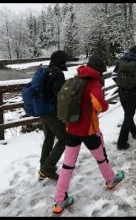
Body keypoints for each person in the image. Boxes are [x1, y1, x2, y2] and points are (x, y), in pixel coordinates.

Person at [52, 56, 124, 215]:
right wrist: (104, 106)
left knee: (67, 165)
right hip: (88, 130)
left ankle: (59, 200)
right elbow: (98, 104)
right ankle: (111, 179)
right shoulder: (94, 82)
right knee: (101, 157)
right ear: (99, 71)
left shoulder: (77, 78)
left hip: (71, 128)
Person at [37, 50, 68, 181]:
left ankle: (43, 168)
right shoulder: (58, 74)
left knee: (49, 138)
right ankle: (47, 168)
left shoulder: (46, 71)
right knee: (64, 139)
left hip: (42, 110)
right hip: (52, 112)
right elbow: (59, 95)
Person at [112, 46, 136, 150]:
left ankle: (133, 130)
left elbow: (113, 75)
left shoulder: (120, 61)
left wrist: (121, 85)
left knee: (128, 113)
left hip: (122, 92)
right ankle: (122, 142)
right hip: (133, 93)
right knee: (129, 115)